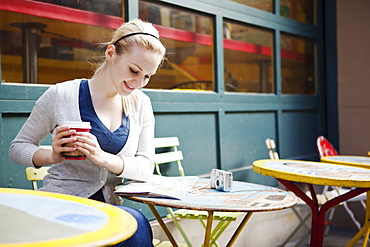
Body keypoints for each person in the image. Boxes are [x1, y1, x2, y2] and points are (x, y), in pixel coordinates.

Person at [9, 19, 166, 247]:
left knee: (134, 225)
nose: (139, 83)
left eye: (147, 76)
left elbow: (145, 166)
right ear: (111, 53)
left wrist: (103, 158)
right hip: (62, 204)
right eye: (134, 70)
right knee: (137, 223)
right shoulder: (61, 95)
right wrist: (51, 155)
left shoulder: (141, 104)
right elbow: (17, 147)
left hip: (108, 209)